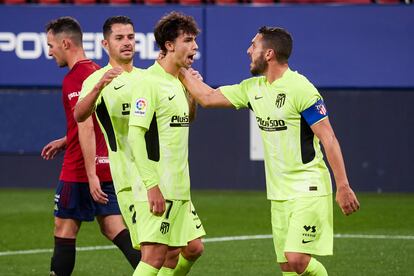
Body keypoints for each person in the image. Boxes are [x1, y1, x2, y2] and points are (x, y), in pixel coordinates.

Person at [179, 26, 360, 275]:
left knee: (296, 259)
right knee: (287, 266)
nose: (248, 50)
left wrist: (343, 185)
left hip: (309, 187)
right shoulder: (253, 88)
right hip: (278, 193)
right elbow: (208, 97)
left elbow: (328, 137)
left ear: (269, 54)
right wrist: (180, 68)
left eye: (254, 46)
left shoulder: (301, 88)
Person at [41, 16, 141, 276]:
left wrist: (90, 171)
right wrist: (66, 139)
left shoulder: (76, 79)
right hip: (108, 167)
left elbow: (85, 125)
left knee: (64, 230)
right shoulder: (98, 71)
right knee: (113, 228)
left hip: (80, 169)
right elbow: (97, 120)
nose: (49, 52)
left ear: (65, 43)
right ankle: (153, 270)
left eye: (51, 45)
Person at [127, 11, 205, 276]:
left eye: (194, 40)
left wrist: (192, 94)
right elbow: (135, 136)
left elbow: (186, 118)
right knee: (154, 256)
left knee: (192, 248)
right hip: (157, 184)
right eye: (188, 40)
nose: (195, 46)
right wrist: (152, 186)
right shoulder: (149, 82)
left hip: (180, 185)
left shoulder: (179, 81)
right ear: (169, 45)